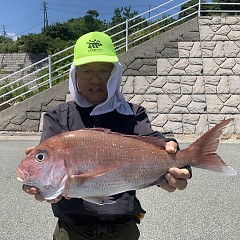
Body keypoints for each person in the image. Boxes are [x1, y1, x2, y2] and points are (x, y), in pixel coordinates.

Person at [23, 31, 192, 240]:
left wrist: (179, 163)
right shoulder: (57, 117)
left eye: (104, 70)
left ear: (115, 74)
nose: (95, 79)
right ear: (74, 74)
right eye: (85, 71)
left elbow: (155, 142)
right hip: (70, 232)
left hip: (124, 231)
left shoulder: (133, 114)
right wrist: (41, 184)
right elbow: (50, 166)